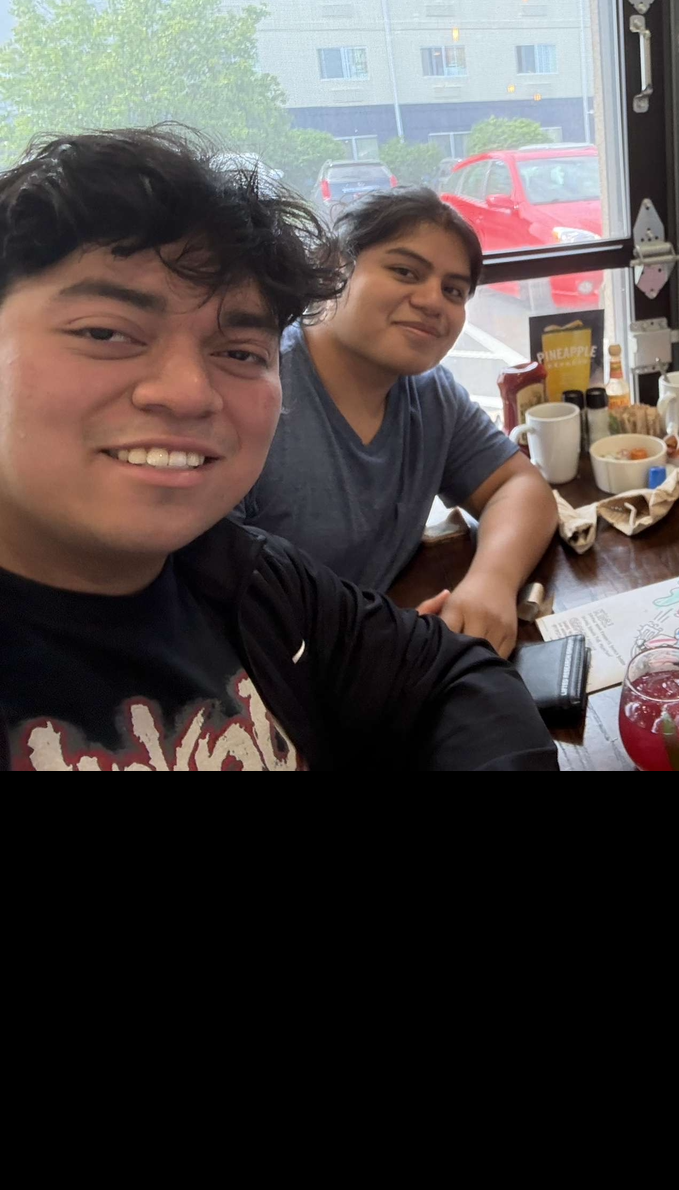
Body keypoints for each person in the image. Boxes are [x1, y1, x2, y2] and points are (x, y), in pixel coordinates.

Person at [0, 130, 560, 770]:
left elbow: (452, 667)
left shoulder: (252, 577)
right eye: (105, 332)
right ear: (338, 270)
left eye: (239, 352)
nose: (189, 393)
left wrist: (489, 585)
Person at [233, 186, 559, 657]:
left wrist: (491, 583)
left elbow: (520, 486)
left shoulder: (429, 393)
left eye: (453, 290)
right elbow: (198, 601)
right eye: (405, 271)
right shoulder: (252, 391)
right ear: (334, 266)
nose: (433, 301)